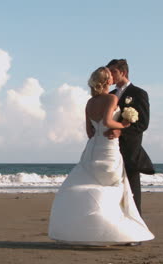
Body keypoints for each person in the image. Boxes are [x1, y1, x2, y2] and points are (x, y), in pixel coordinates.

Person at [48, 67, 154, 245]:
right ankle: (114, 230)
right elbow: (107, 121)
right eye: (110, 75)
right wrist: (124, 125)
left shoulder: (90, 103)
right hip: (108, 148)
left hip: (92, 149)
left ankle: (90, 229)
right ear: (106, 81)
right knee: (113, 186)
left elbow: (89, 131)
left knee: (93, 185)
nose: (113, 77)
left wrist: (100, 131)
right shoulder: (112, 98)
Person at [105, 59, 155, 216]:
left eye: (113, 72)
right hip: (109, 149)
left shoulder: (138, 94)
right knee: (112, 191)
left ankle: (136, 231)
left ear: (123, 72)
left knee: (132, 193)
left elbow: (143, 124)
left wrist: (121, 132)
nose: (109, 76)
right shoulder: (109, 95)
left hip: (130, 150)